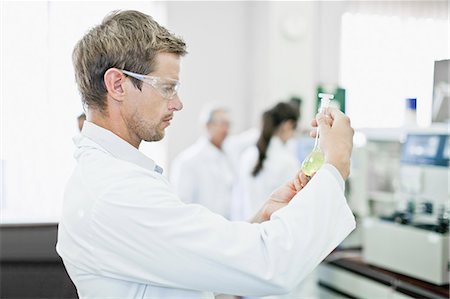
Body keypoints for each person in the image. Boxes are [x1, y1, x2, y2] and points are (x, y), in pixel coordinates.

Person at [56, 10, 356, 299]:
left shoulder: (114, 178)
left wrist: (260, 221)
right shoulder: (115, 191)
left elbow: (181, 269)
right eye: (167, 88)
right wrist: (336, 164)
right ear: (117, 84)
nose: (177, 104)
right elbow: (270, 264)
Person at [233, 102, 300, 221]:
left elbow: (237, 201)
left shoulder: (248, 155)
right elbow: (293, 209)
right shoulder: (287, 162)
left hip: (246, 228)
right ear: (288, 125)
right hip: (272, 233)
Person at [170, 104, 234, 219]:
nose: (226, 130)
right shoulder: (188, 161)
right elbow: (182, 204)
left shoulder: (226, 157)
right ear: (207, 126)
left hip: (226, 227)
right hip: (201, 230)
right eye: (221, 124)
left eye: (227, 125)